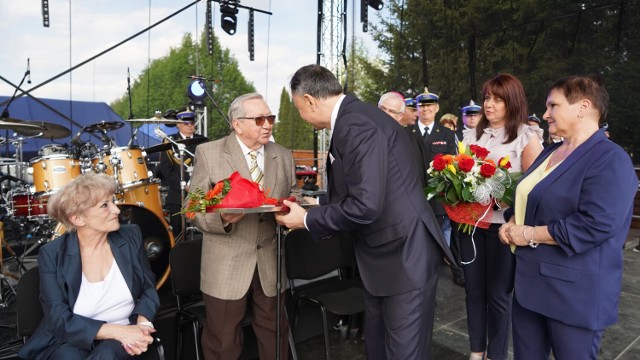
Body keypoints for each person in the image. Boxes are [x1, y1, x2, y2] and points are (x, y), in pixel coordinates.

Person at [276, 64, 455, 359]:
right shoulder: (356, 116)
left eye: (298, 109)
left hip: (402, 258)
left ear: (309, 100)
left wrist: (306, 220)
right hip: (389, 258)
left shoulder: (355, 123)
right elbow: (370, 189)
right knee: (380, 348)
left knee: (402, 353)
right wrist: (317, 204)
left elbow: (366, 205)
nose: (301, 116)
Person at [498, 75, 638, 359]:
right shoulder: (550, 152)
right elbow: (533, 198)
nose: (546, 114)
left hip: (573, 296)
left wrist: (528, 234)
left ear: (583, 107)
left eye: (553, 105)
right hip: (530, 287)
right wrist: (512, 221)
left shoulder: (610, 159)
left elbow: (596, 224)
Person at [189, 93, 297, 360]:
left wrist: (293, 209)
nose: (268, 124)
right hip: (225, 265)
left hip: (271, 261)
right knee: (223, 342)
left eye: (270, 118)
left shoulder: (282, 155)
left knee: (275, 335)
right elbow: (193, 207)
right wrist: (222, 218)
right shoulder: (209, 153)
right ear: (237, 124)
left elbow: (292, 194)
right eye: (259, 119)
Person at [18, 173, 159, 359]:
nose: (116, 210)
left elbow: (149, 288)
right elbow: (58, 318)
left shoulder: (131, 235)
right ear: (77, 219)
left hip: (128, 330)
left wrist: (142, 326)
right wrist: (116, 332)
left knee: (107, 354)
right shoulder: (52, 254)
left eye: (113, 201)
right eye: (104, 206)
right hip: (73, 337)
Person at [461, 73, 543, 360]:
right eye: (487, 98)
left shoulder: (526, 136)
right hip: (471, 225)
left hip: (503, 229)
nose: (489, 104)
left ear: (513, 102)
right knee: (473, 292)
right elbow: (460, 175)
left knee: (497, 296)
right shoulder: (471, 135)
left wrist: (507, 206)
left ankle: (496, 354)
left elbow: (534, 188)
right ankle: (476, 352)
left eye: (497, 99)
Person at [155, 106, 208, 239]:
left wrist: (198, 185)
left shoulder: (202, 141)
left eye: (192, 122)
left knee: (203, 233)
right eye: (186, 123)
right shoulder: (170, 142)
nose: (190, 125)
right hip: (178, 195)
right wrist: (184, 186)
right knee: (179, 234)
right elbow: (166, 169)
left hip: (200, 193)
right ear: (178, 124)